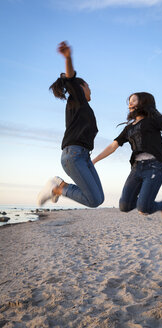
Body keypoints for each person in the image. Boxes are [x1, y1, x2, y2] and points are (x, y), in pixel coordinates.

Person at [92, 92, 162, 223]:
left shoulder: (153, 119)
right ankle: (148, 202)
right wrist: (94, 161)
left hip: (154, 167)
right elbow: (113, 146)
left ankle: (161, 206)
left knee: (143, 208)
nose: (130, 104)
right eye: (129, 102)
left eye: (134, 101)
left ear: (143, 103)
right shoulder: (128, 128)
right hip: (136, 168)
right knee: (124, 206)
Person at [37, 41, 104, 208]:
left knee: (99, 198)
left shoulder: (84, 107)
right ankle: (58, 188)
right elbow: (71, 79)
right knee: (94, 201)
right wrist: (68, 58)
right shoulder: (77, 99)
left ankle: (59, 186)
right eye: (88, 86)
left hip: (83, 156)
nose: (90, 89)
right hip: (73, 155)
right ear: (80, 88)